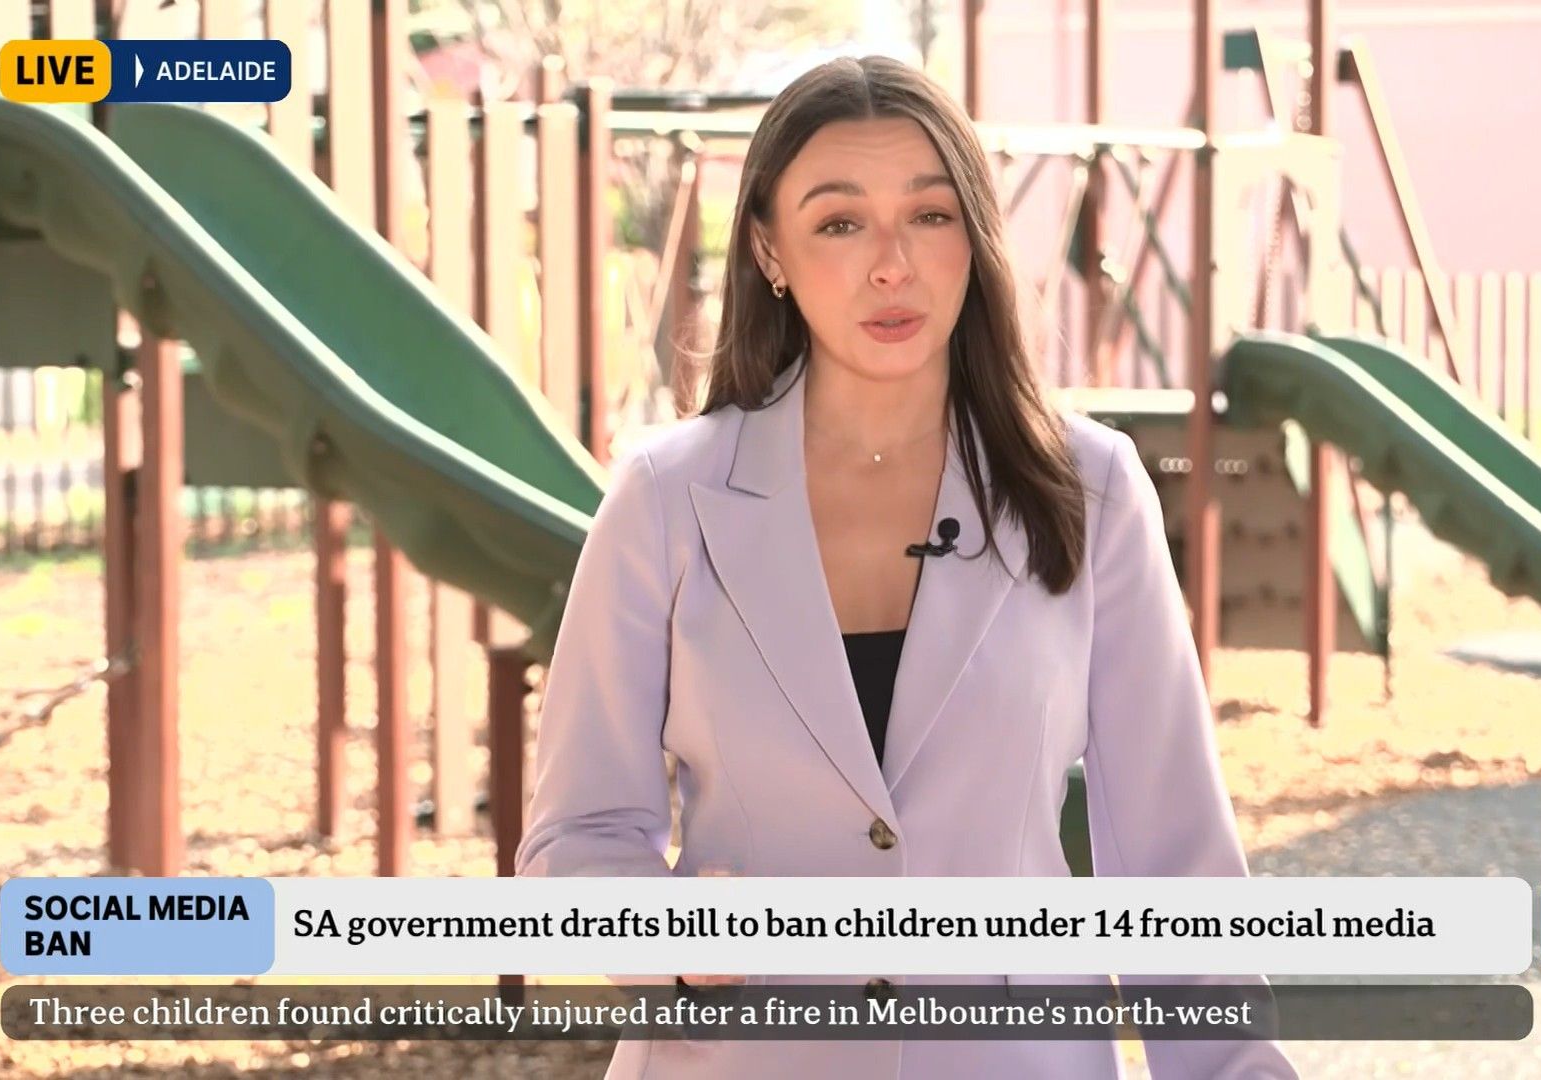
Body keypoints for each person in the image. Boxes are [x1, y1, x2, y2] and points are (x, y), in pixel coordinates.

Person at [516, 54, 1296, 1079]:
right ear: (770, 249)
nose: (893, 265)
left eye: (930, 216)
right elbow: (574, 841)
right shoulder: (664, 500)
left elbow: (1177, 864)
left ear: (974, 237)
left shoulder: (1093, 491)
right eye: (841, 223)